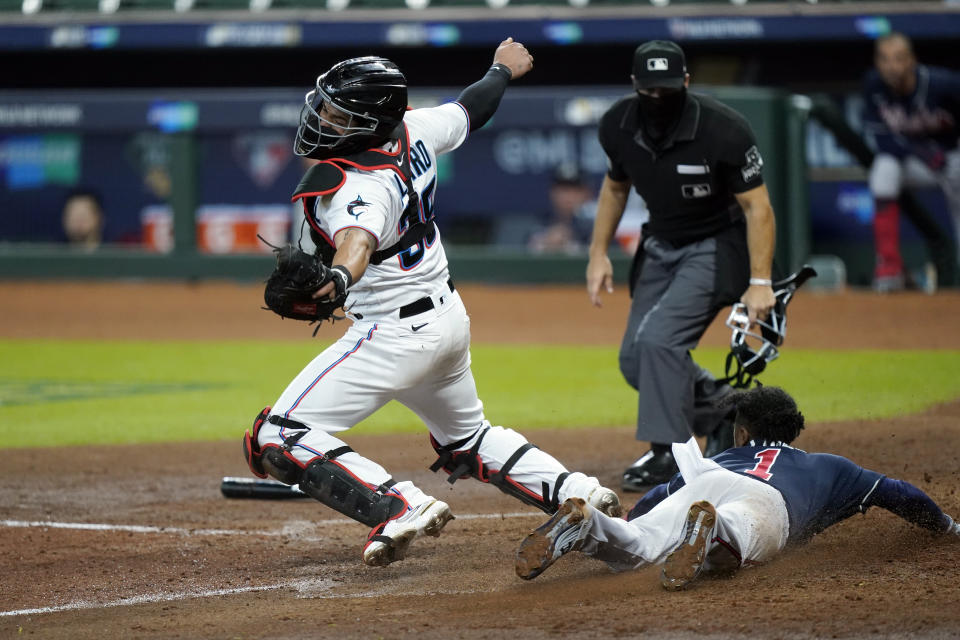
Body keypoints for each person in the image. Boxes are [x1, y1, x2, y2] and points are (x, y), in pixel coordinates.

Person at [241, 39, 622, 569]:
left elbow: (358, 239)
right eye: (323, 106)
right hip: (446, 321)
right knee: (468, 439)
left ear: (369, 120)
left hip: (391, 335)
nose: (322, 118)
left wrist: (336, 276)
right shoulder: (415, 128)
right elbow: (473, 106)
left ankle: (399, 505)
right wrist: (502, 69)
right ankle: (576, 491)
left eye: (337, 112)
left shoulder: (360, 185)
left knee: (274, 434)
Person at [515, 385, 960, 589]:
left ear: (743, 433)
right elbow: (900, 493)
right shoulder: (829, 466)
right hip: (767, 502)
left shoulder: (724, 456)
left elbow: (655, 498)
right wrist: (945, 526)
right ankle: (715, 531)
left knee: (637, 543)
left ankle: (589, 524)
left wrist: (635, 520)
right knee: (739, 532)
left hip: (702, 477)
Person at [585, 40, 777, 492]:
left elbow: (758, 208)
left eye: (668, 90)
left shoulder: (724, 129)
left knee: (659, 342)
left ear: (686, 83)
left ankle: (670, 453)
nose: (658, 100)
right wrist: (598, 253)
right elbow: (616, 188)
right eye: (649, 92)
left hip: (715, 243)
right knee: (637, 361)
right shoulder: (617, 124)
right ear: (635, 86)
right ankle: (724, 410)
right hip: (661, 244)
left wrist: (760, 282)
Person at [863, 32, 960, 293]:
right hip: (914, 162)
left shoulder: (943, 84)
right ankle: (889, 267)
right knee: (883, 171)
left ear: (912, 61)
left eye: (898, 59)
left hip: (951, 158)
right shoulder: (874, 86)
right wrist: (923, 153)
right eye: (884, 59)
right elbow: (883, 141)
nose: (891, 66)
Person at [527, 164, 595, 254]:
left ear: (587, 194)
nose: (569, 196)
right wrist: (545, 242)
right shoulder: (536, 223)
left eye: (575, 190)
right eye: (564, 190)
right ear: (552, 193)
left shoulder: (597, 226)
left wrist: (574, 237)